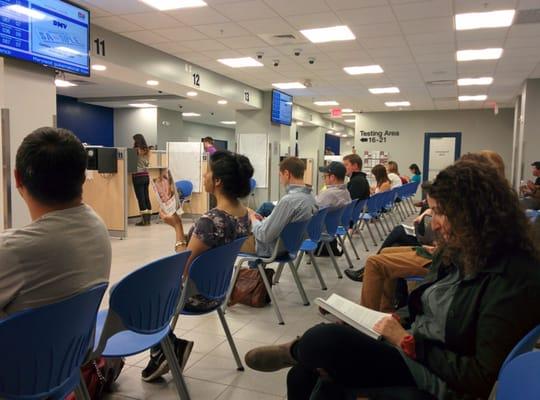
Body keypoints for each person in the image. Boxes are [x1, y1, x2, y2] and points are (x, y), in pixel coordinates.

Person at [244, 159, 540, 400]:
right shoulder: (465, 252)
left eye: (440, 213)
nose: (433, 223)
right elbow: (425, 310)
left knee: (324, 341)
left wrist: (406, 341)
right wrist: (376, 321)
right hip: (414, 345)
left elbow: (479, 378)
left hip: (433, 373)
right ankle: (302, 353)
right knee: (305, 373)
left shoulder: (512, 280)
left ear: (476, 215)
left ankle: (294, 350)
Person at [141, 150, 254, 382]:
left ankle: (166, 350)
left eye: (208, 171)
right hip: (218, 292)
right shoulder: (244, 215)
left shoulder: (210, 221)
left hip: (194, 296)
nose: (204, 175)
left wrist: (177, 228)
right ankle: (167, 347)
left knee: (145, 296)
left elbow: (183, 268)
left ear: (218, 181)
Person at [0, 127, 111, 318]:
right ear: (83, 177)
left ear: (17, 178)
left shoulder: (12, 251)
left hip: (24, 348)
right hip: (76, 346)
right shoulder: (97, 226)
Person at [242, 157, 317, 257]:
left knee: (233, 243)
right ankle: (256, 271)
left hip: (272, 248)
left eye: (280, 175)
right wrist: (264, 220)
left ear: (287, 174)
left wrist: (253, 219)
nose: (280, 180)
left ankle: (255, 271)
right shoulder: (310, 198)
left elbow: (264, 235)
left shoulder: (288, 201)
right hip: (290, 246)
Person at [132, 134, 152, 226]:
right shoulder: (147, 150)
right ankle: (148, 220)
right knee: (146, 197)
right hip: (146, 176)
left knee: (141, 199)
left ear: (137, 141)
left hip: (138, 176)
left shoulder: (135, 151)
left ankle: (144, 221)